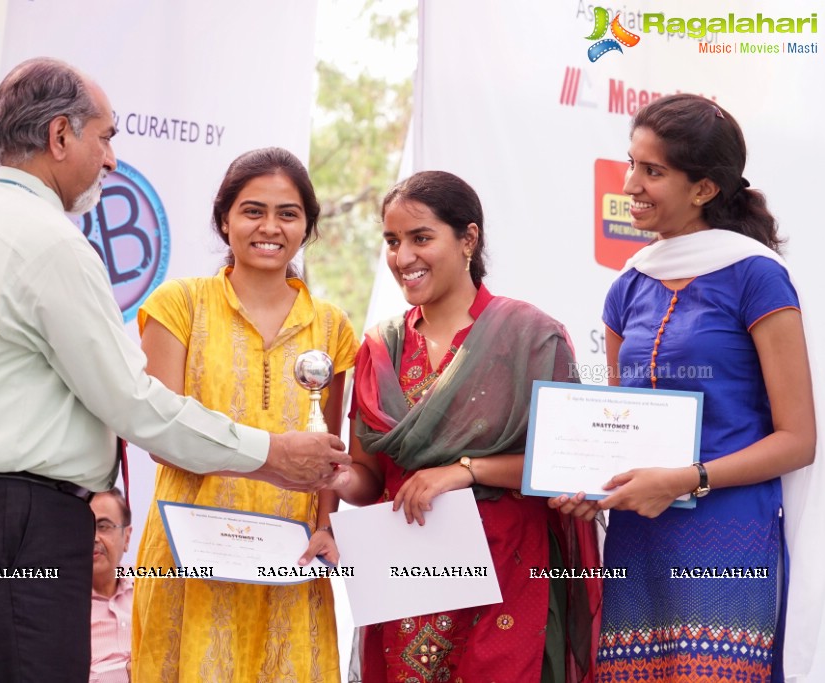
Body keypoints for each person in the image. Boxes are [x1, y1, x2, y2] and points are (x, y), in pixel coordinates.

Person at [0, 58, 349, 683]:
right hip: (15, 519)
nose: (111, 159)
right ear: (60, 137)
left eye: (289, 213)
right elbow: (134, 404)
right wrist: (272, 453)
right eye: (105, 137)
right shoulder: (48, 242)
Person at [552, 94, 816, 682]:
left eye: (653, 171)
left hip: (729, 538)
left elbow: (798, 440)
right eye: (631, 164)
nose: (630, 184)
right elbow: (619, 429)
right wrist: (589, 484)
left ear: (703, 189)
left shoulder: (757, 276)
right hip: (640, 537)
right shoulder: (628, 284)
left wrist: (687, 478)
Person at [333, 170, 600, 682]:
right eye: (392, 242)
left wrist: (467, 470)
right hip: (408, 580)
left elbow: (568, 470)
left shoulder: (529, 337)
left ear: (468, 239)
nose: (402, 257)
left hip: (507, 575)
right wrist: (332, 476)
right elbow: (368, 480)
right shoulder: (381, 348)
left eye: (421, 238)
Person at [131, 147, 356, 682]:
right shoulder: (178, 305)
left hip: (291, 556)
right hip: (191, 551)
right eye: (253, 210)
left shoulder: (332, 328)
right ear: (224, 219)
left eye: (288, 213)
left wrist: (326, 526)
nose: (269, 227)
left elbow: (331, 452)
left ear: (307, 226)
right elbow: (162, 436)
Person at [90, 488, 133, 683]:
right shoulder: (54, 602)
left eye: (104, 526)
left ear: (127, 537)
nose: (94, 537)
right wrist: (126, 673)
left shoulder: (151, 589)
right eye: (85, 527)